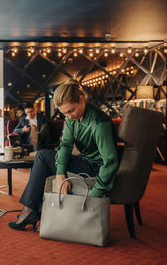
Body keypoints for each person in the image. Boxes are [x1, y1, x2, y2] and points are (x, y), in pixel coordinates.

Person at [8, 78, 119, 231]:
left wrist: (96, 193)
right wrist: (61, 175)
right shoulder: (71, 119)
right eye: (64, 113)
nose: (69, 116)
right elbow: (65, 145)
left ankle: (30, 211)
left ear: (81, 99)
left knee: (42, 156)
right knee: (43, 156)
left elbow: (110, 162)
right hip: (84, 162)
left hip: (95, 169)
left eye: (71, 110)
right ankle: (34, 210)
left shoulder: (100, 123)